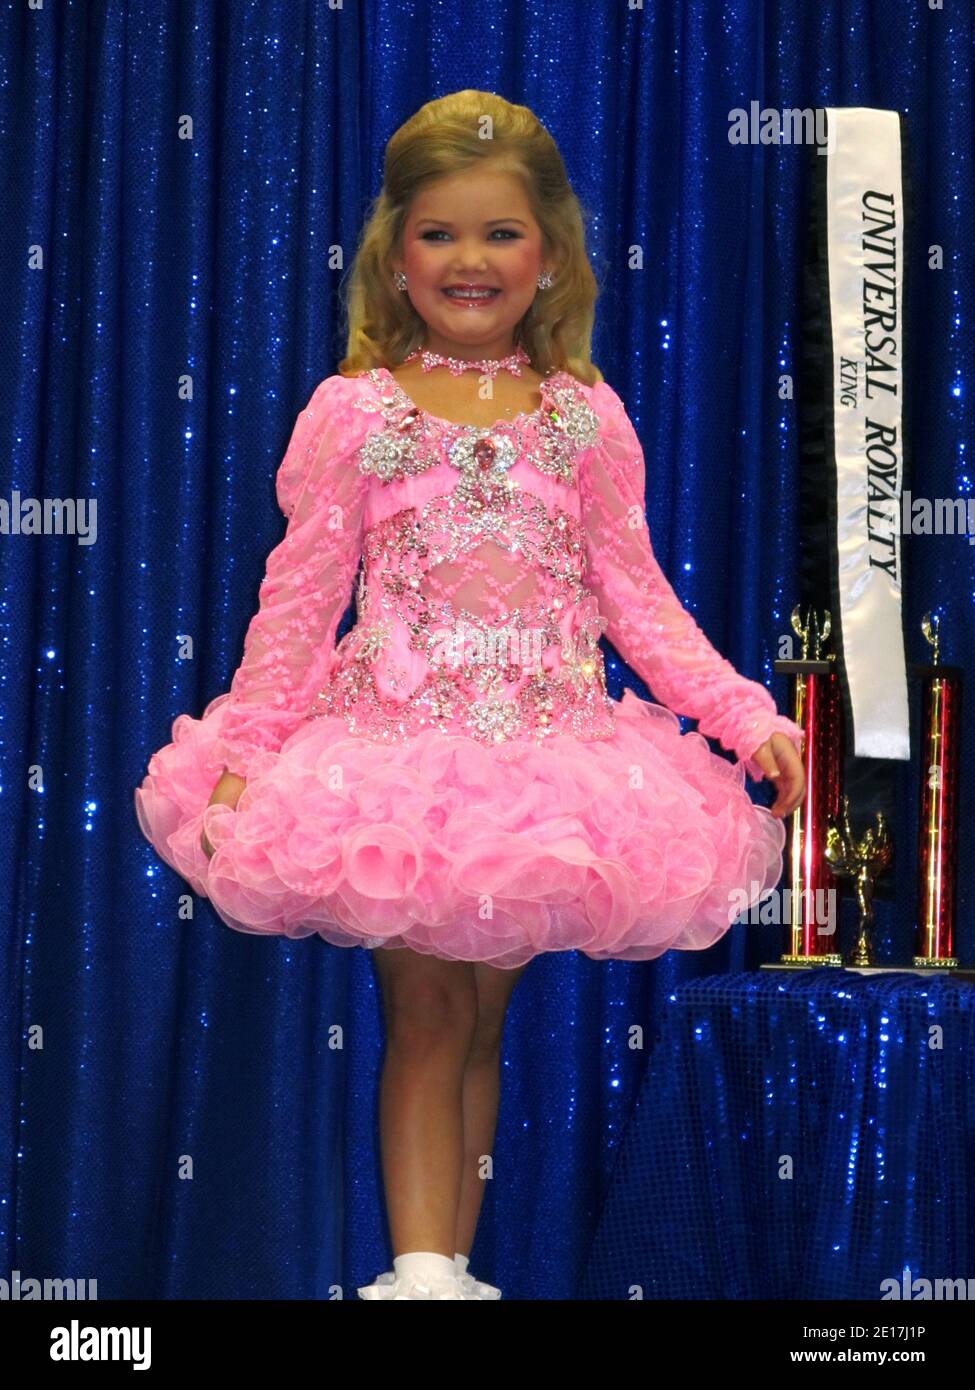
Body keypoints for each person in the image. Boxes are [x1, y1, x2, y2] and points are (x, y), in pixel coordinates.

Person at [134, 89, 805, 1301]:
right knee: (430, 1014)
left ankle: (453, 1270)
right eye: (439, 232)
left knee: (482, 1027)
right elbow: (298, 607)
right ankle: (421, 1277)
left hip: (544, 768)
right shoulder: (357, 412)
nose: (470, 259)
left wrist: (746, 714)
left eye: (500, 233)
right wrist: (243, 745)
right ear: (395, 252)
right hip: (394, 769)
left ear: (549, 254)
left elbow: (639, 603)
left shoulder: (586, 419)